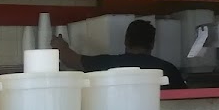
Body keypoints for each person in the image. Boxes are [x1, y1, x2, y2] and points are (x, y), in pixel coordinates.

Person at [52, 19, 186, 88]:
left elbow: (70, 59)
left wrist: (60, 45)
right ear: (152, 43)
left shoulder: (107, 64)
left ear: (126, 41)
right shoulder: (168, 69)